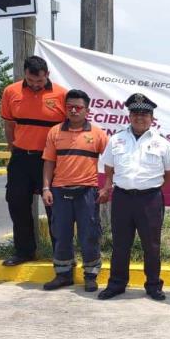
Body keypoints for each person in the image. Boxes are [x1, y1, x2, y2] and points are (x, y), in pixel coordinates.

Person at [97, 93, 170, 301]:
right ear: (129, 116)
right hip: (122, 198)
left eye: (145, 114)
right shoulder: (117, 139)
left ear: (152, 118)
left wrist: (154, 191)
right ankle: (117, 284)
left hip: (150, 199)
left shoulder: (162, 143)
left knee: (151, 245)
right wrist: (107, 186)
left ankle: (153, 285)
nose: (140, 117)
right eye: (135, 113)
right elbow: (109, 167)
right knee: (121, 243)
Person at [0, 55, 67, 266]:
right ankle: (24, 252)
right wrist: (13, 148)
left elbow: (67, 129)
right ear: (25, 75)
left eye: (40, 80)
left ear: (47, 74)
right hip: (21, 157)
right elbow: (9, 125)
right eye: (31, 80)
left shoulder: (62, 94)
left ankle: (61, 254)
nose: (36, 85)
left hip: (49, 160)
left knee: (54, 207)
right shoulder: (11, 92)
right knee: (17, 203)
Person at [41, 89, 108, 292]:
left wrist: (106, 187)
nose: (73, 110)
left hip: (87, 192)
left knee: (89, 234)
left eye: (78, 107)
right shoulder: (55, 132)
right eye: (69, 106)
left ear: (87, 110)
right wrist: (46, 188)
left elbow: (111, 163)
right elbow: (48, 162)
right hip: (60, 191)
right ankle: (63, 274)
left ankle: (90, 275)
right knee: (61, 233)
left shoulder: (98, 134)